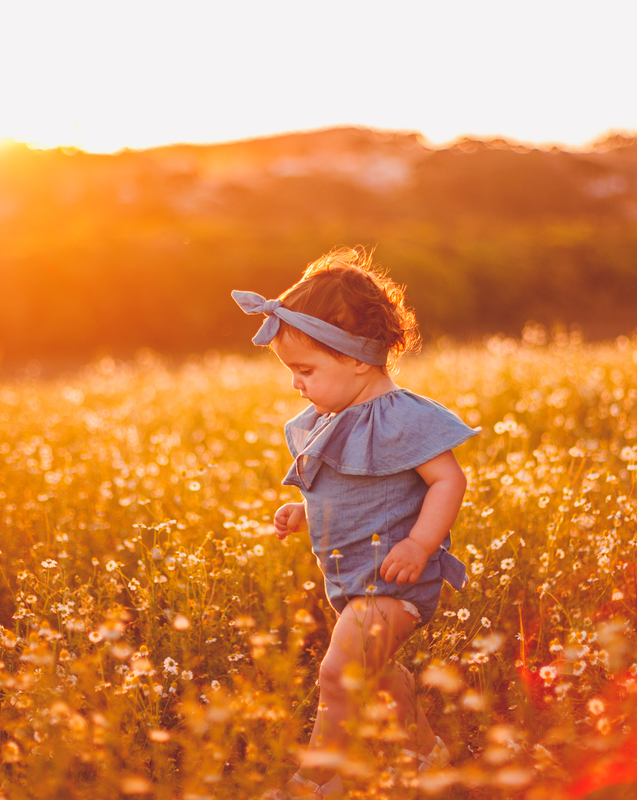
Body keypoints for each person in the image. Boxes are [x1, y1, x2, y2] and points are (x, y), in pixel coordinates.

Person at [232, 247, 478, 799]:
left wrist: (419, 543)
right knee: (376, 676)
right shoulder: (331, 418)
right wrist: (305, 510)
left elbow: (448, 481)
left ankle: (318, 779)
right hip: (348, 580)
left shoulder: (404, 417)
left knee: (336, 676)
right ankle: (426, 754)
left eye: (306, 370)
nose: (296, 385)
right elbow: (349, 485)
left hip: (394, 581)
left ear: (359, 360)